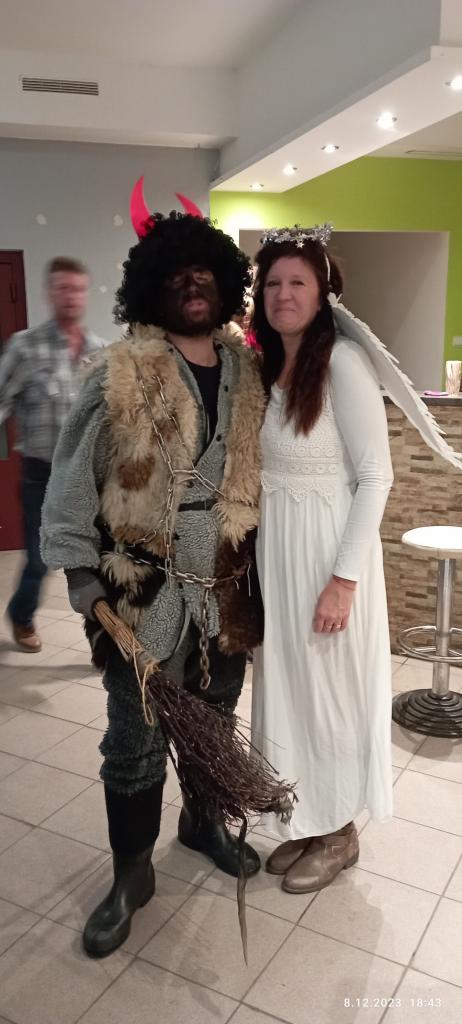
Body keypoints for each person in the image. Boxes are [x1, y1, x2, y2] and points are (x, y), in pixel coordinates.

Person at [40, 198, 266, 957]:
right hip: (143, 593)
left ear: (226, 282)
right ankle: (131, 875)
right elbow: (71, 481)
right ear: (151, 285)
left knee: (215, 720)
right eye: (176, 273)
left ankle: (201, 824)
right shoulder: (120, 371)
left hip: (226, 589)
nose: (192, 283)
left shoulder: (247, 370)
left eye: (205, 271)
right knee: (133, 741)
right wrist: (82, 576)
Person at [250, 224, 462, 895]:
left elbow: (376, 476)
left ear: (323, 293)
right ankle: (308, 816)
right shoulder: (267, 366)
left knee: (333, 695)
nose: (283, 294)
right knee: (293, 691)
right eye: (272, 282)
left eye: (298, 282)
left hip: (328, 558)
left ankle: (341, 833)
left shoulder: (341, 361)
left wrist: (343, 581)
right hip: (280, 554)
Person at [0, 257, 104, 652]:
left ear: (85, 294)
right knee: (40, 558)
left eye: (77, 289)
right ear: (50, 293)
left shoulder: (100, 352)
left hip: (89, 475)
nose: (70, 296)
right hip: (41, 474)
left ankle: (103, 634)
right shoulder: (25, 346)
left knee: (97, 558)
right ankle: (21, 615)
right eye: (63, 288)